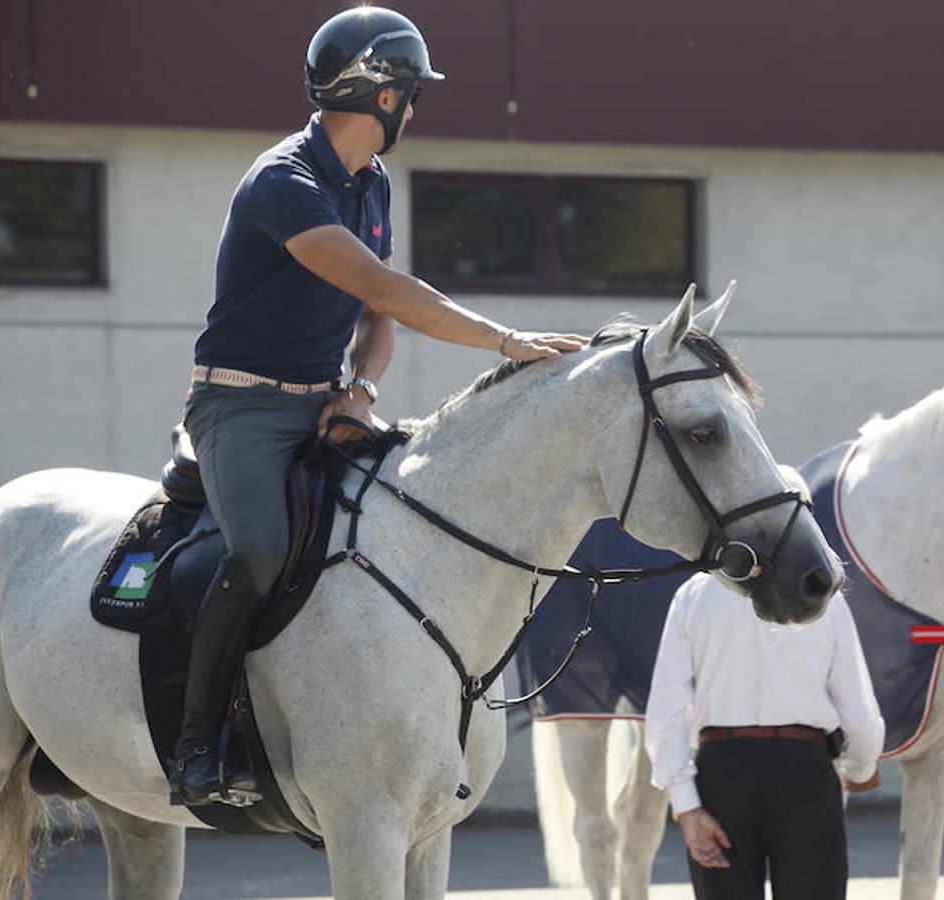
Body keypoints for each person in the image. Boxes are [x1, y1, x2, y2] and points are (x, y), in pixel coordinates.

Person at [170, 5, 588, 807]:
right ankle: (197, 743)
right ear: (384, 96)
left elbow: (379, 320)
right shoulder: (282, 182)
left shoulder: (373, 183)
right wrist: (506, 341)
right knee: (259, 549)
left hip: (327, 401)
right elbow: (381, 286)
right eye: (411, 92)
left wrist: (361, 391)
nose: (415, 108)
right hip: (241, 411)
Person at [645, 467, 885, 900]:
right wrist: (860, 769)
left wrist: (688, 806)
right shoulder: (824, 599)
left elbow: (664, 712)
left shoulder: (694, 595)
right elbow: (861, 715)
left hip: (721, 775)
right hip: (806, 771)